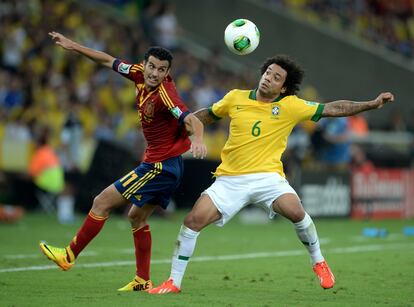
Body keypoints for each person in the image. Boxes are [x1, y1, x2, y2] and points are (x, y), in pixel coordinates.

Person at [148, 55, 395, 294]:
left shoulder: (291, 106)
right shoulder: (235, 98)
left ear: (283, 87)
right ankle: (174, 282)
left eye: (276, 77)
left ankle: (318, 261)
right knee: (193, 221)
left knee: (296, 211)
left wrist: (371, 104)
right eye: (268, 73)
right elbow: (205, 116)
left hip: (268, 178)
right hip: (230, 180)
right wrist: (181, 123)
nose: (268, 78)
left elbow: (333, 108)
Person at [39, 32, 207, 292]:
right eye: (152, 66)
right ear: (145, 64)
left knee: (101, 202)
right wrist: (74, 46)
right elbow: (107, 61)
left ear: (167, 73)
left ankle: (69, 255)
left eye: (161, 70)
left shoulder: (166, 94)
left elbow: (191, 119)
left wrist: (198, 139)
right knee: (136, 217)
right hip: (166, 164)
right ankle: (142, 280)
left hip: (159, 167)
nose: (154, 73)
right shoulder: (138, 73)